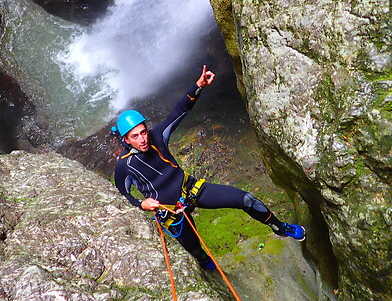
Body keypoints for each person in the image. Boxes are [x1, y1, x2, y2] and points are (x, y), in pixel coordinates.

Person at [113, 65, 305, 269]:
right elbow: (122, 196)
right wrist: (142, 204)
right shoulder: (124, 166)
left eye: (143, 132)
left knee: (246, 200)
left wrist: (199, 86)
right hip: (171, 212)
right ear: (126, 139)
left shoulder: (157, 137)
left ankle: (280, 227)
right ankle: (206, 264)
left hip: (191, 190)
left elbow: (180, 111)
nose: (143, 139)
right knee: (195, 250)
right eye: (135, 136)